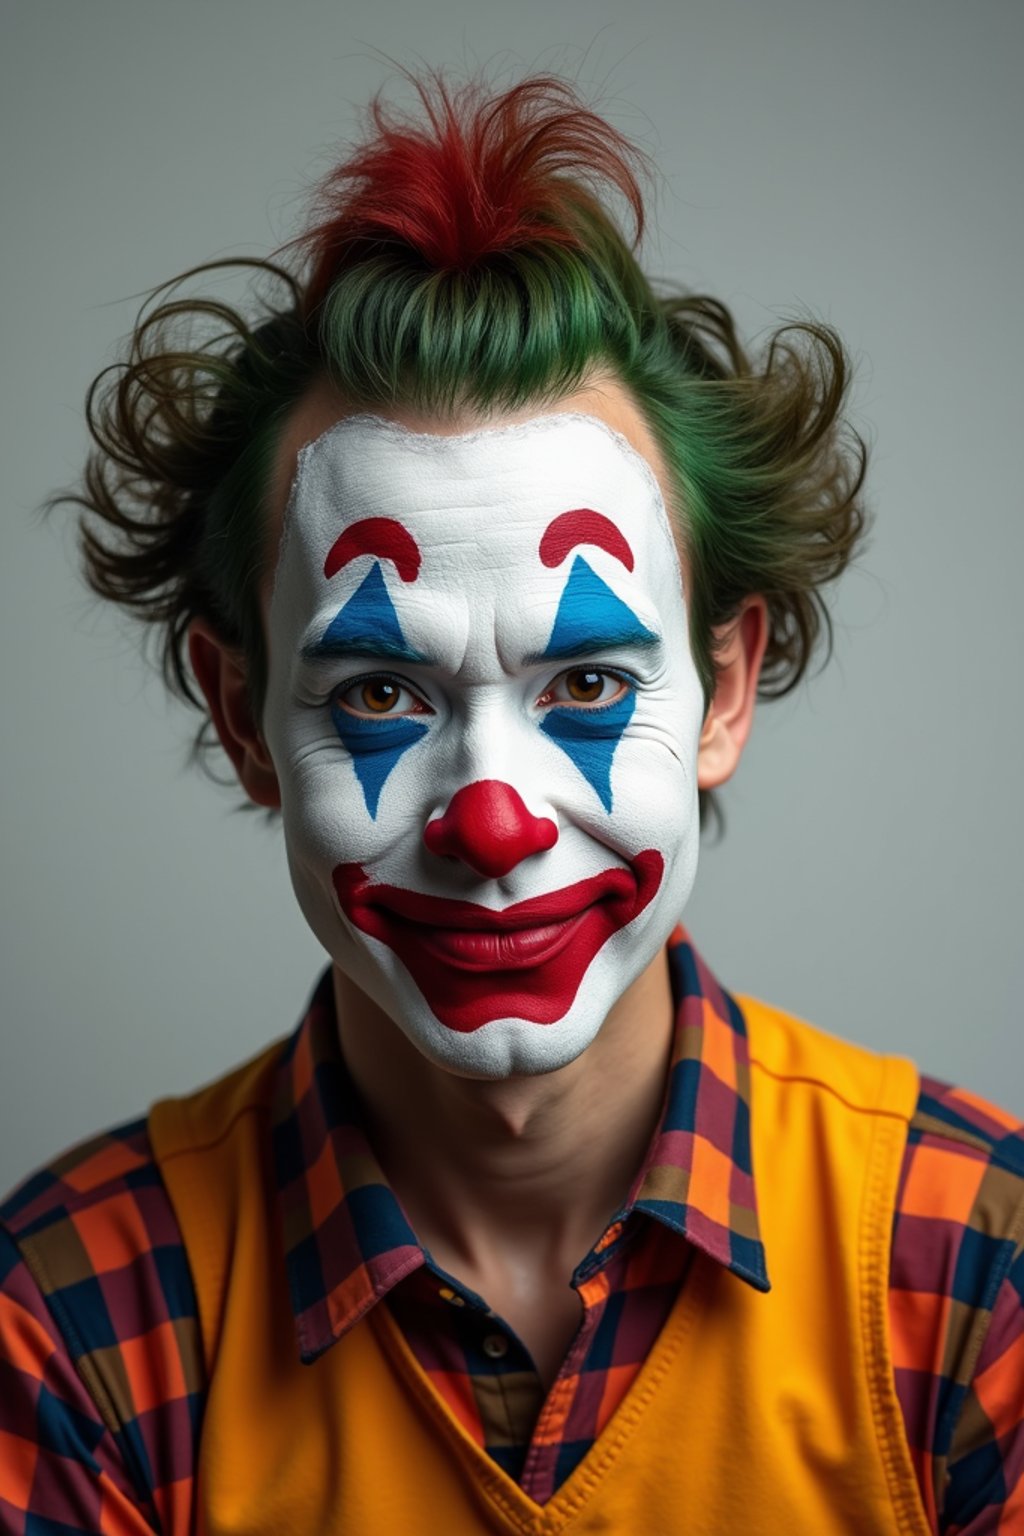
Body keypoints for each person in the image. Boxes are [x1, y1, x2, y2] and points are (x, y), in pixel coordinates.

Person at [1, 73, 1021, 1535]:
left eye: (590, 688)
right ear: (242, 717)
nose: (495, 825)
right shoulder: (68, 1318)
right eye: (377, 696)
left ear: (725, 690)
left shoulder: (979, 1270)